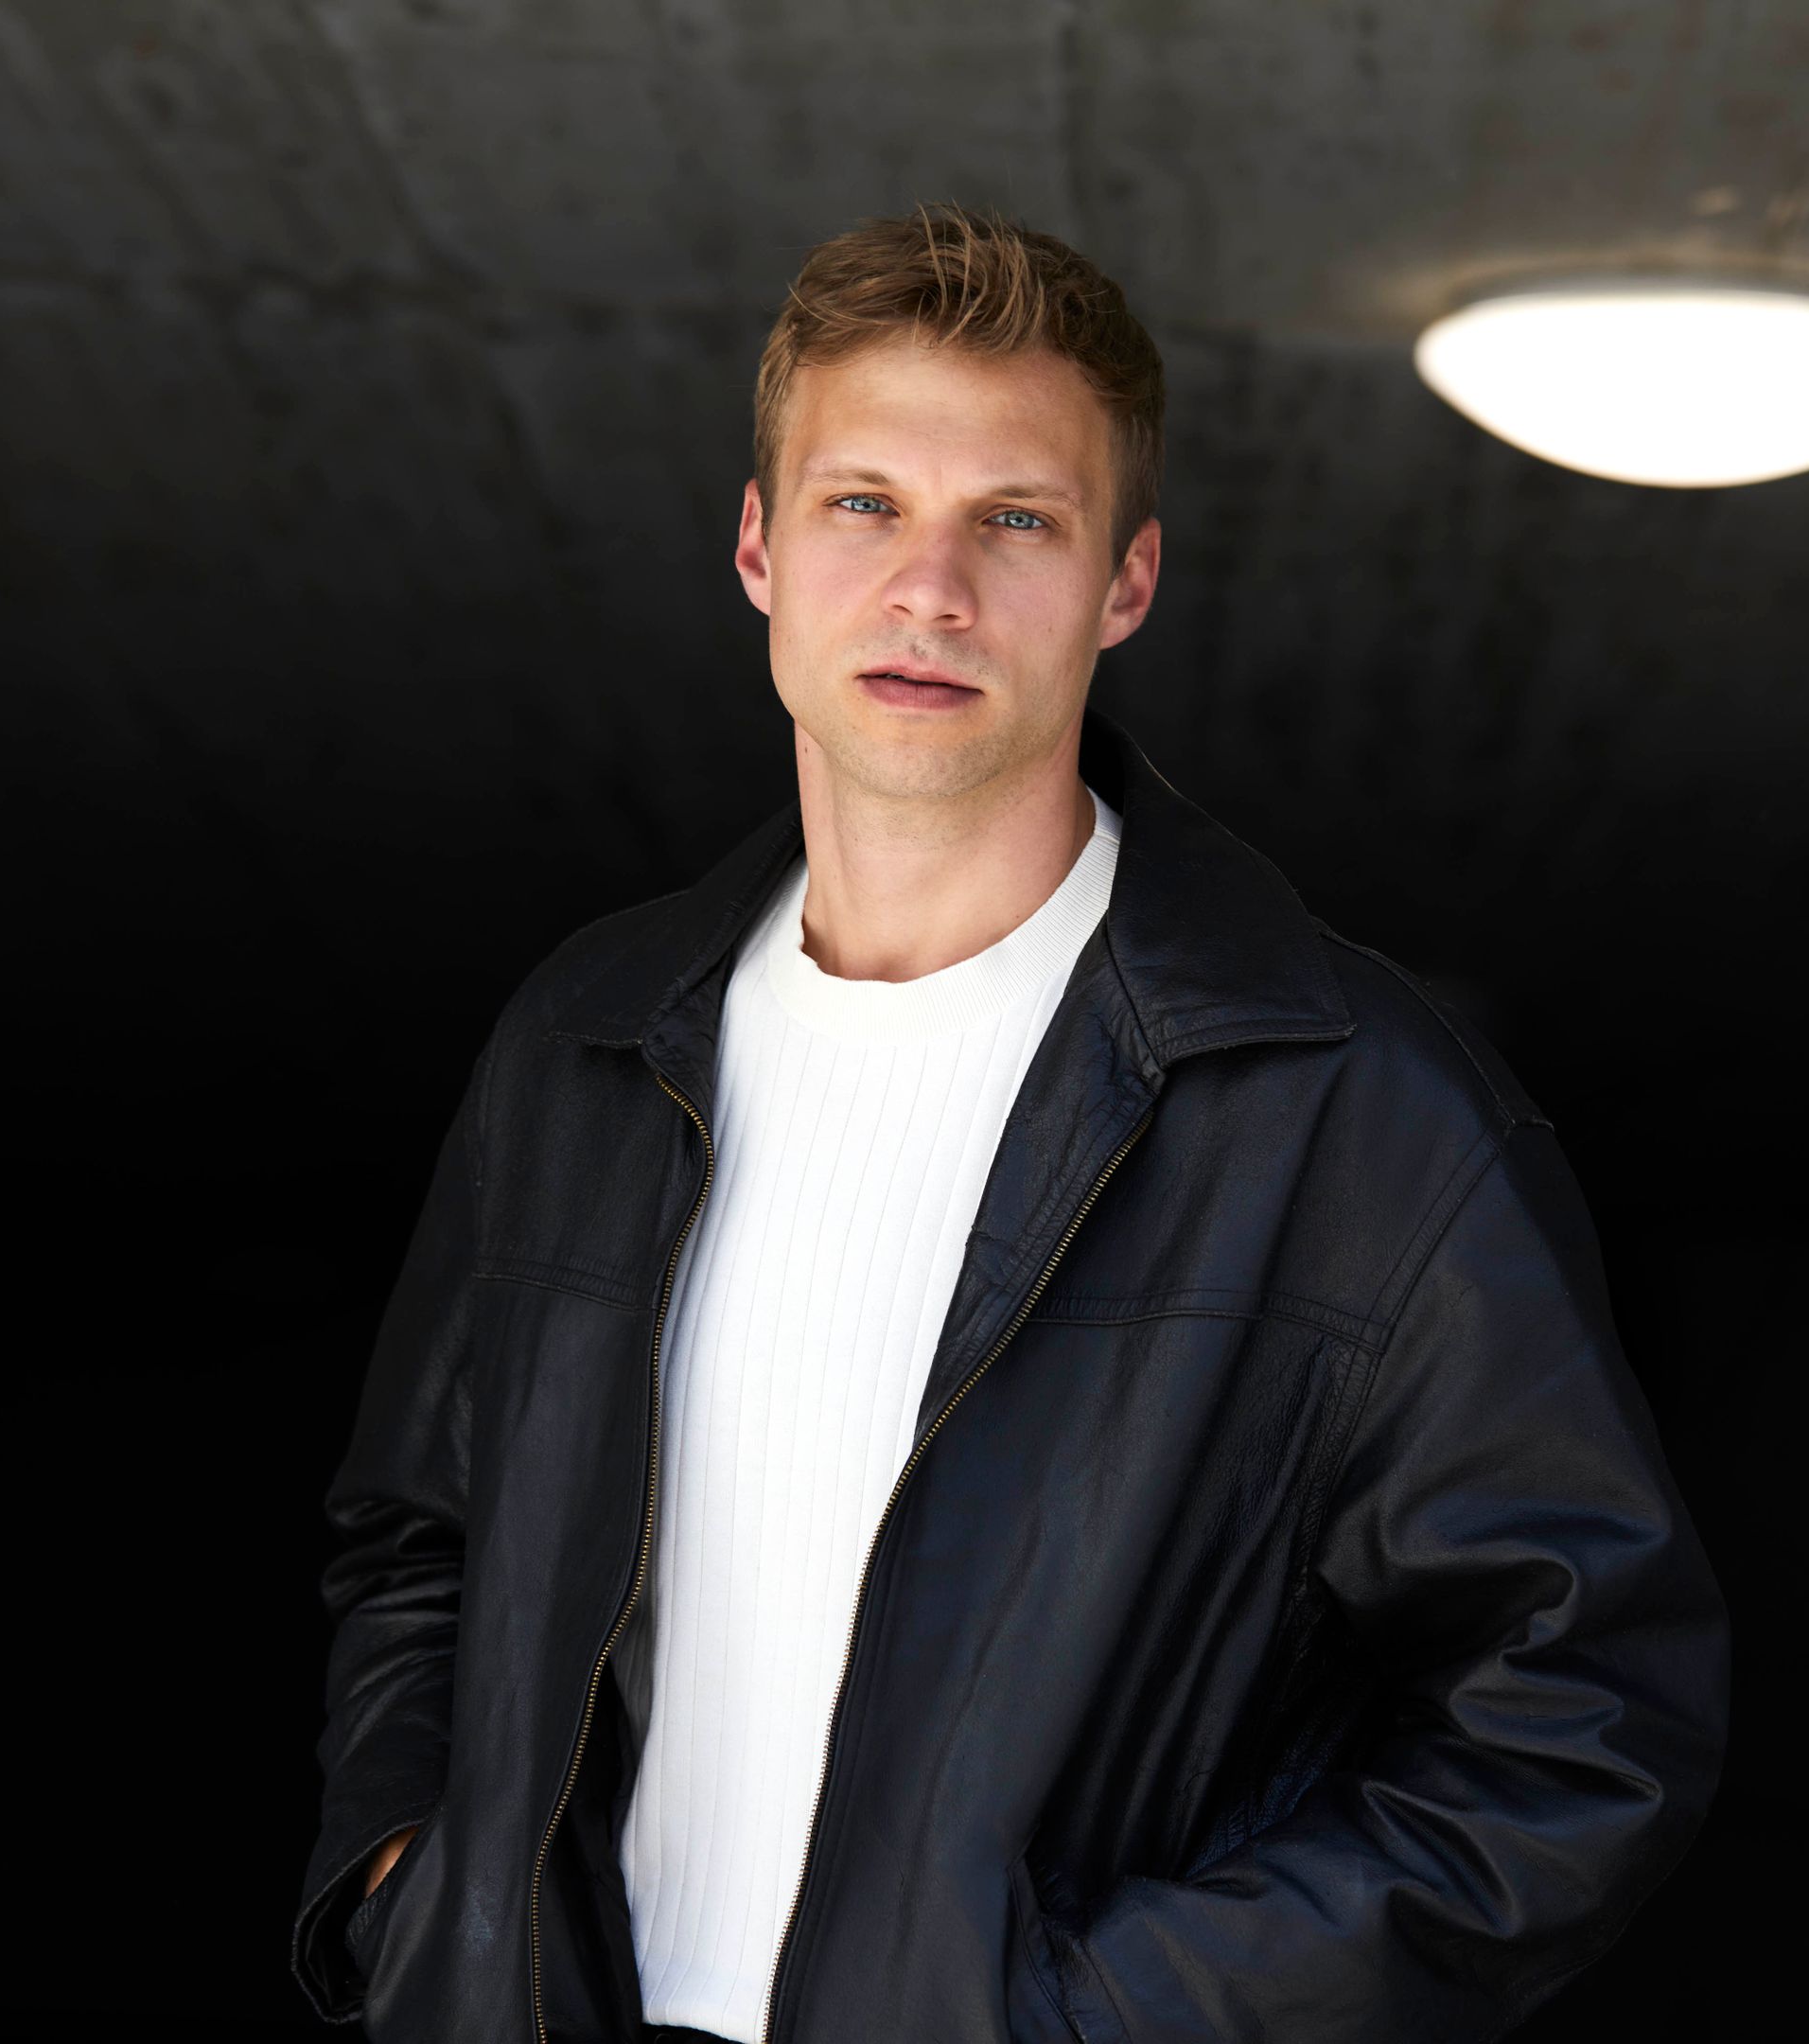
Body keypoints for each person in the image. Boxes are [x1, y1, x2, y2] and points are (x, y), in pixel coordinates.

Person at [292, 202, 1728, 2044]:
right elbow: (420, 1537)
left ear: (1127, 581)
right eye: (864, 503)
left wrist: (1087, 2023)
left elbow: (1579, 1717)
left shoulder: (1359, 1111)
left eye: (1018, 521)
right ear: (759, 546)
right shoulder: (585, 1040)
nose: (931, 590)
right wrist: (420, 1892)